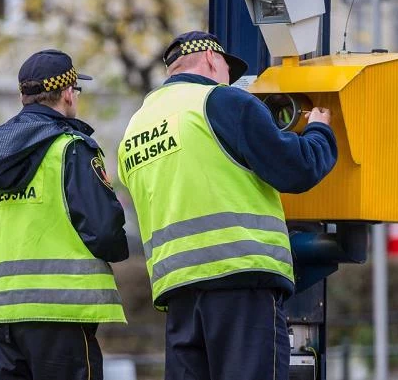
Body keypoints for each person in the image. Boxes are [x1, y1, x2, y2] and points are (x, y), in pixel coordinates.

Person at [117, 31, 337, 380]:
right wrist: (320, 132)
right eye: (227, 70)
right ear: (210, 59)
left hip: (179, 294)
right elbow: (298, 169)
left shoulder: (136, 127)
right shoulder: (220, 101)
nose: (230, 80)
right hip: (241, 282)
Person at [0, 49, 128, 380]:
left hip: (7, 315)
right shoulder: (70, 147)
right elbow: (105, 232)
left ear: (23, 96)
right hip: (64, 316)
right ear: (68, 93)